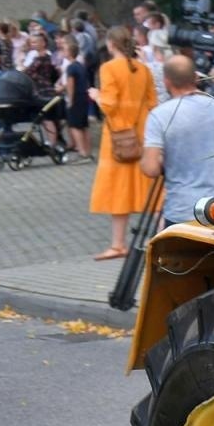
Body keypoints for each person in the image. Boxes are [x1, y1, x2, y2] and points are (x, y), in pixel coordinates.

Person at [141, 55, 214, 225]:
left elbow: (151, 169)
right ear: (196, 77)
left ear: (166, 81)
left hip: (184, 211)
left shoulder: (159, 115)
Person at [89, 26, 158, 260]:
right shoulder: (144, 69)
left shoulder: (108, 68)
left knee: (118, 191)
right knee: (152, 190)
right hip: (143, 135)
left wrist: (95, 95)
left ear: (110, 44)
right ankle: (159, 240)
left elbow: (108, 105)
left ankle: (118, 244)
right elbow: (153, 103)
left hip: (118, 138)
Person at [55, 32, 91, 160]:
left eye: (65, 50)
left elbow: (70, 84)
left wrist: (70, 100)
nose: (63, 52)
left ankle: (81, 152)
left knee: (75, 125)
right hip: (84, 97)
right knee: (84, 125)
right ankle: (87, 150)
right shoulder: (80, 65)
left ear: (70, 52)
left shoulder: (70, 67)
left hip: (75, 97)